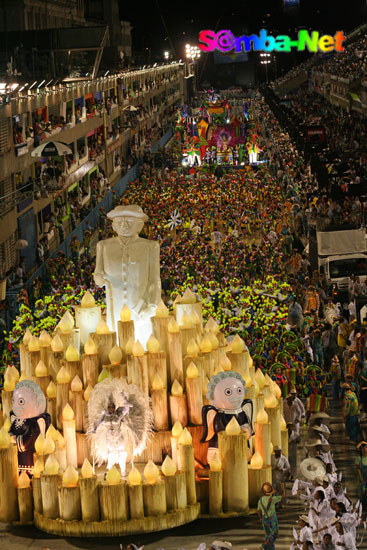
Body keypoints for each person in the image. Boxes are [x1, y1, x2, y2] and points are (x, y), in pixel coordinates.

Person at [94, 205, 161, 345]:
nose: (124, 226)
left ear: (139, 225)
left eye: (129, 222)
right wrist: (98, 278)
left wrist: (152, 307)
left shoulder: (150, 246)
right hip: (115, 308)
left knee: (142, 346)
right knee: (117, 346)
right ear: (113, 226)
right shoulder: (103, 246)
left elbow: (154, 279)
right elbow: (98, 274)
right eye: (119, 222)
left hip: (139, 308)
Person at [257, 482, 282, 550]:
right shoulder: (272, 499)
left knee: (268, 535)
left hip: (264, 520)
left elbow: (258, 510)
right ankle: (264, 545)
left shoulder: (260, 500)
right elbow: (283, 496)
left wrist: (260, 518)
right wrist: (282, 488)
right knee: (275, 534)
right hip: (272, 519)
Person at [355, 441, 367, 507]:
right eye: (363, 448)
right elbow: (358, 469)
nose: (365, 450)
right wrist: (361, 478)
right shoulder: (359, 458)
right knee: (363, 492)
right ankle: (363, 505)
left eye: (366, 448)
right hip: (362, 478)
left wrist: (363, 442)